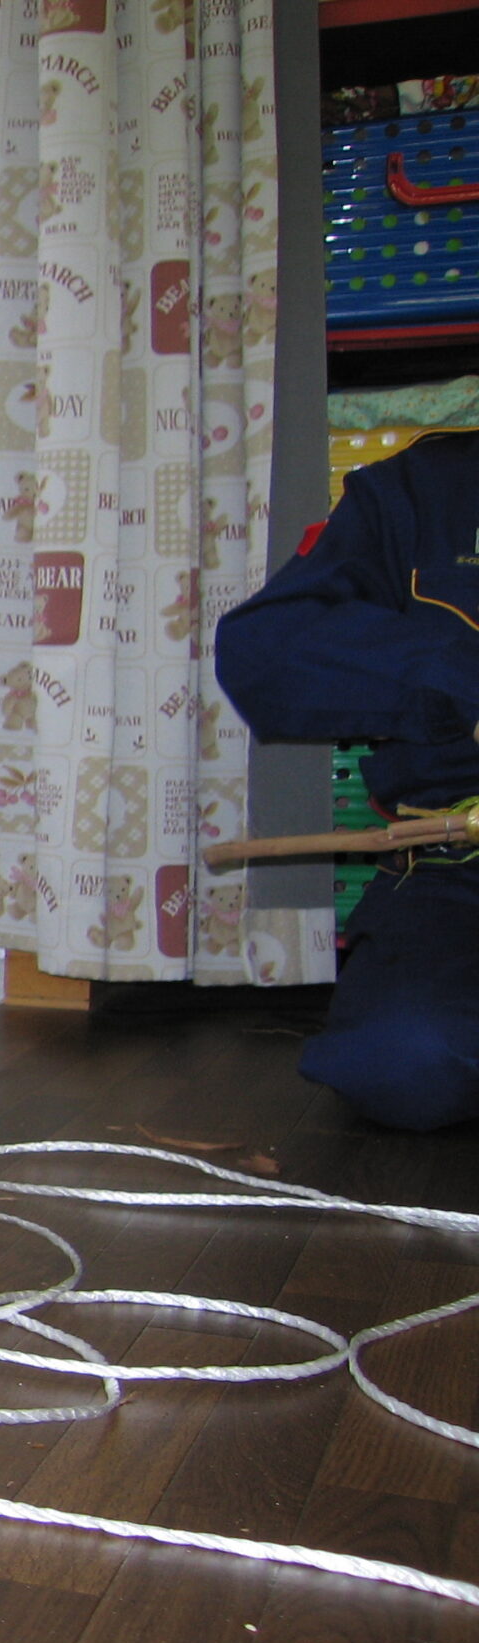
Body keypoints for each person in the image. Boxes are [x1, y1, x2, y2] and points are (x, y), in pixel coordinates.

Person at [214, 429, 479, 1131]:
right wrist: (456, 678)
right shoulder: (422, 488)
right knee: (402, 1059)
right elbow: (262, 652)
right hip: (458, 873)